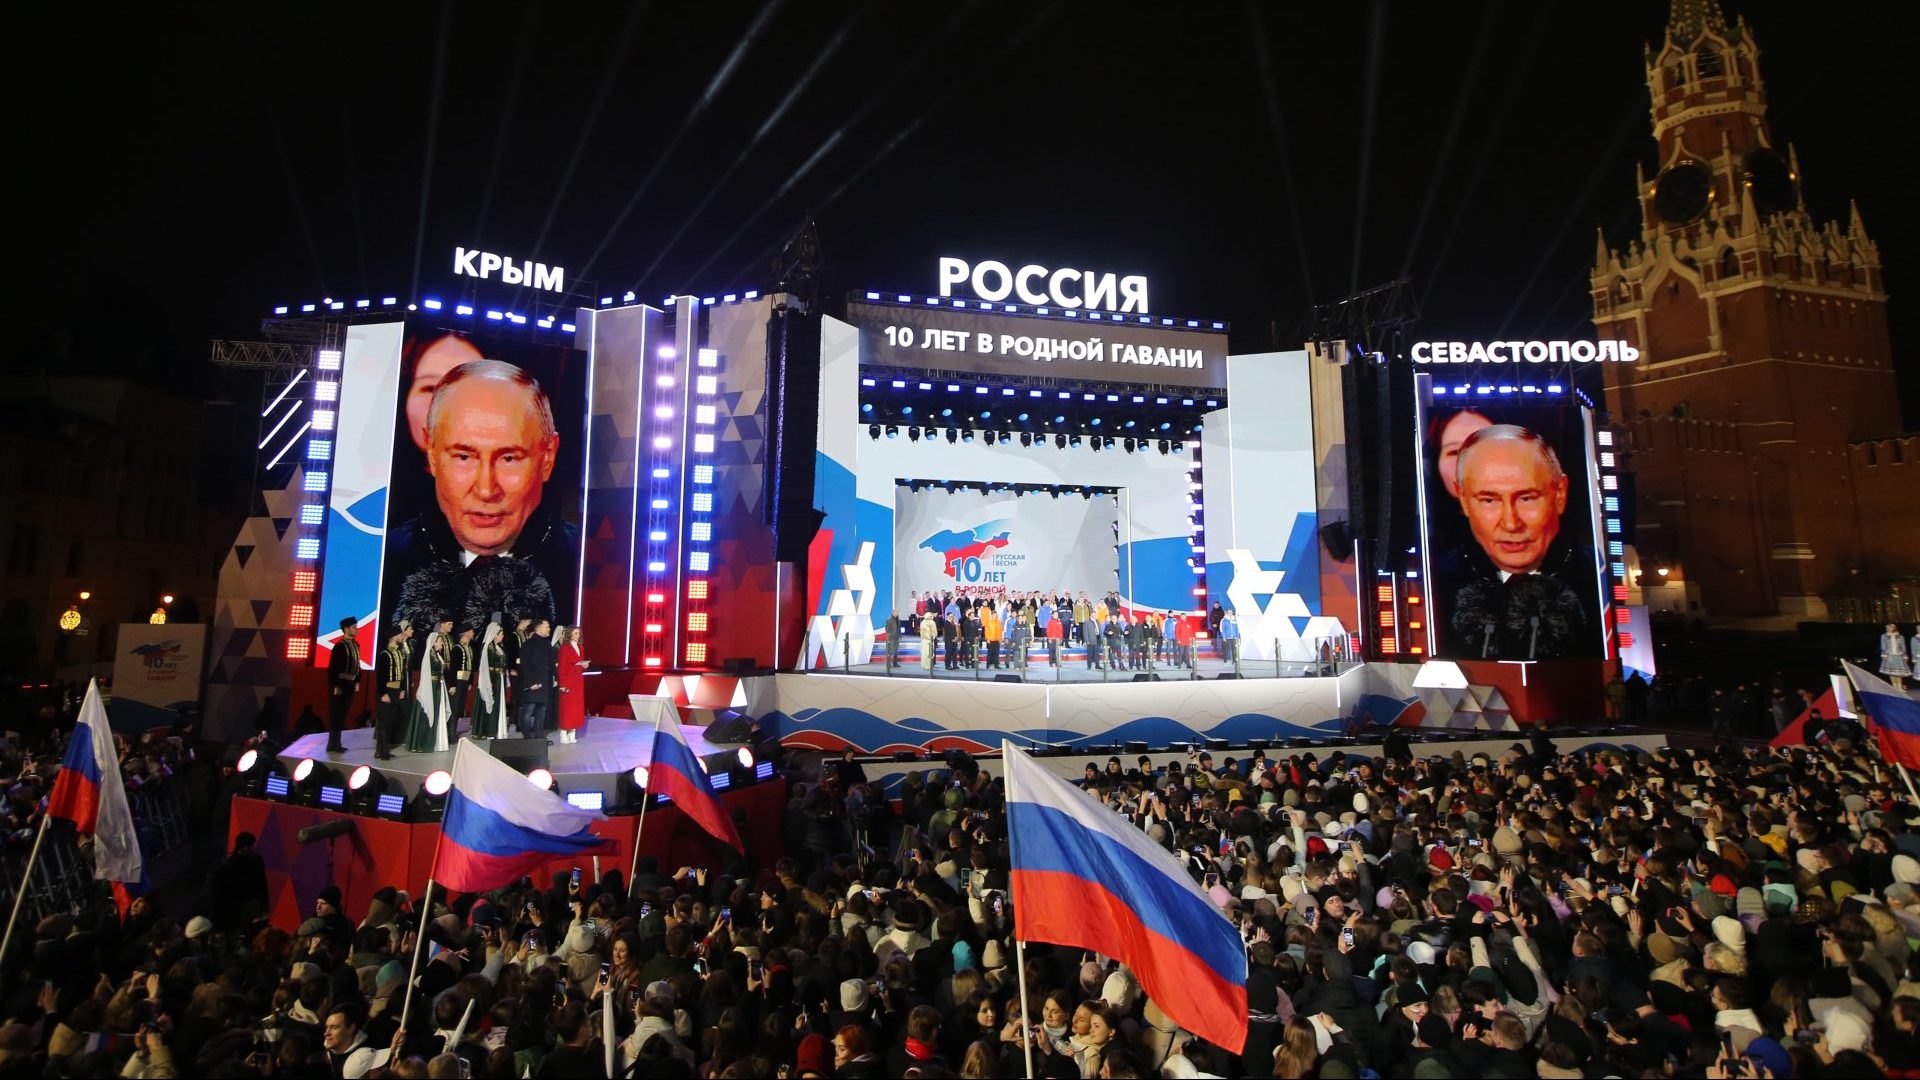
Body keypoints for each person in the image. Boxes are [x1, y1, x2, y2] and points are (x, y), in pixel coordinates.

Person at [386, 359, 578, 637]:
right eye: (464, 457)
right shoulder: (381, 563)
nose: (486, 490)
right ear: (432, 452)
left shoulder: (586, 565)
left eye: (509, 458)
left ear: (548, 457)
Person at [1436, 424, 1598, 660]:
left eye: (1526, 498)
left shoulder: (1597, 578)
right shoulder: (1437, 584)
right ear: (1464, 500)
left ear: (1560, 494)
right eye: (1489, 500)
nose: (1511, 523)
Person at [403, 620, 452, 753]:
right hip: (431, 687)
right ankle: (422, 742)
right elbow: (426, 673)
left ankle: (437, 740)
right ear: (434, 642)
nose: (442, 643)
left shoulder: (437, 655)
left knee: (437, 712)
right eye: (440, 641)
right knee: (428, 712)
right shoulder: (429, 656)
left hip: (438, 686)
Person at [516, 618, 557, 740]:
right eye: (547, 626)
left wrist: (553, 678)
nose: (549, 629)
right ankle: (527, 737)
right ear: (538, 628)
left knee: (542, 710)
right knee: (528, 710)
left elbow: (551, 663)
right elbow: (525, 665)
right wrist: (531, 683)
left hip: (545, 682)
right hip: (533, 683)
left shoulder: (547, 643)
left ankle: (540, 737)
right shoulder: (529, 644)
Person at [375, 623, 410, 760]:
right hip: (387, 690)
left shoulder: (400, 653)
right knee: (384, 721)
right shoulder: (385, 654)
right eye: (400, 635)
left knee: (390, 721)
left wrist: (402, 689)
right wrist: (383, 693)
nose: (402, 637)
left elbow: (401, 674)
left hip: (396, 690)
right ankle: (383, 752)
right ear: (393, 637)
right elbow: (380, 675)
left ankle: (382, 750)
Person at [326, 617, 361, 753]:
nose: (356, 629)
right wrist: (335, 685)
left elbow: (357, 665)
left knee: (343, 714)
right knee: (336, 714)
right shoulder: (340, 646)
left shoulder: (356, 645)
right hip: (340, 683)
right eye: (353, 627)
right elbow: (333, 668)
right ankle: (332, 744)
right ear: (346, 629)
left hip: (350, 683)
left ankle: (337, 743)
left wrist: (357, 680)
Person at [469, 620, 507, 739]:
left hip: (499, 678)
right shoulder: (488, 648)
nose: (502, 636)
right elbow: (484, 666)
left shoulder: (499, 647)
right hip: (491, 678)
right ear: (495, 634)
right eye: (500, 634)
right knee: (489, 701)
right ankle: (486, 730)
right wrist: (488, 680)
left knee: (497, 703)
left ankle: (495, 728)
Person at [556, 626, 588, 744]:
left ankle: (572, 732)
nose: (577, 635)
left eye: (579, 633)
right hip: (568, 680)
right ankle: (563, 732)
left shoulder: (580, 647)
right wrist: (563, 683)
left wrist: (584, 665)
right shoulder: (565, 647)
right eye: (575, 633)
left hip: (578, 681)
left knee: (576, 707)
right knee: (567, 707)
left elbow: (580, 663)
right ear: (569, 634)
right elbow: (561, 667)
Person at [449, 626, 475, 724]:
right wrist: (453, 684)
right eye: (471, 631)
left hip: (465, 681)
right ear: (465, 633)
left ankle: (453, 731)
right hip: (458, 681)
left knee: (460, 706)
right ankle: (450, 732)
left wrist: (470, 681)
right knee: (455, 706)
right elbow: (453, 668)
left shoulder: (469, 648)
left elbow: (470, 666)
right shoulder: (457, 648)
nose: (473, 634)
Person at [1880, 622, 1911, 690]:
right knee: (1892, 672)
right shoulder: (1884, 636)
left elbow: (1903, 647)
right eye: (1887, 628)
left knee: (1899, 673)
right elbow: (1883, 646)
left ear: (1893, 628)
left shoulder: (1900, 636)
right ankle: (1894, 687)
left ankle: (1899, 687)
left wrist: (1905, 655)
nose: (1887, 629)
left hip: (1898, 656)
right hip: (1890, 655)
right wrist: (1884, 655)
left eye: (1889, 627)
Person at [918, 611, 937, 675]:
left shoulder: (927, 622)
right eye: (931, 616)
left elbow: (934, 632)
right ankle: (926, 665)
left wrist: (932, 636)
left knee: (928, 653)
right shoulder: (927, 622)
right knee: (926, 653)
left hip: (927, 640)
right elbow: (923, 632)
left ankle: (927, 665)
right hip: (926, 640)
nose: (932, 618)